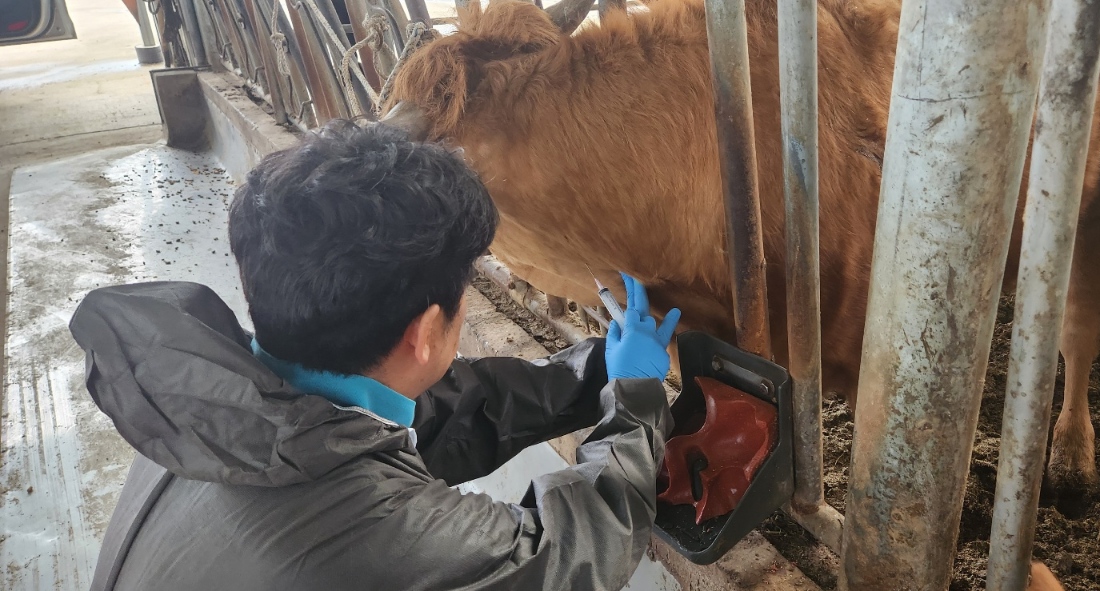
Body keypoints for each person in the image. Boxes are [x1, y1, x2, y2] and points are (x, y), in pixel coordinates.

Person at [71, 119, 682, 591]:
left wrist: (599, 371)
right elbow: (569, 551)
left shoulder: (200, 402)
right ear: (424, 332)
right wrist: (635, 406)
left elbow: (434, 415)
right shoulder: (394, 536)